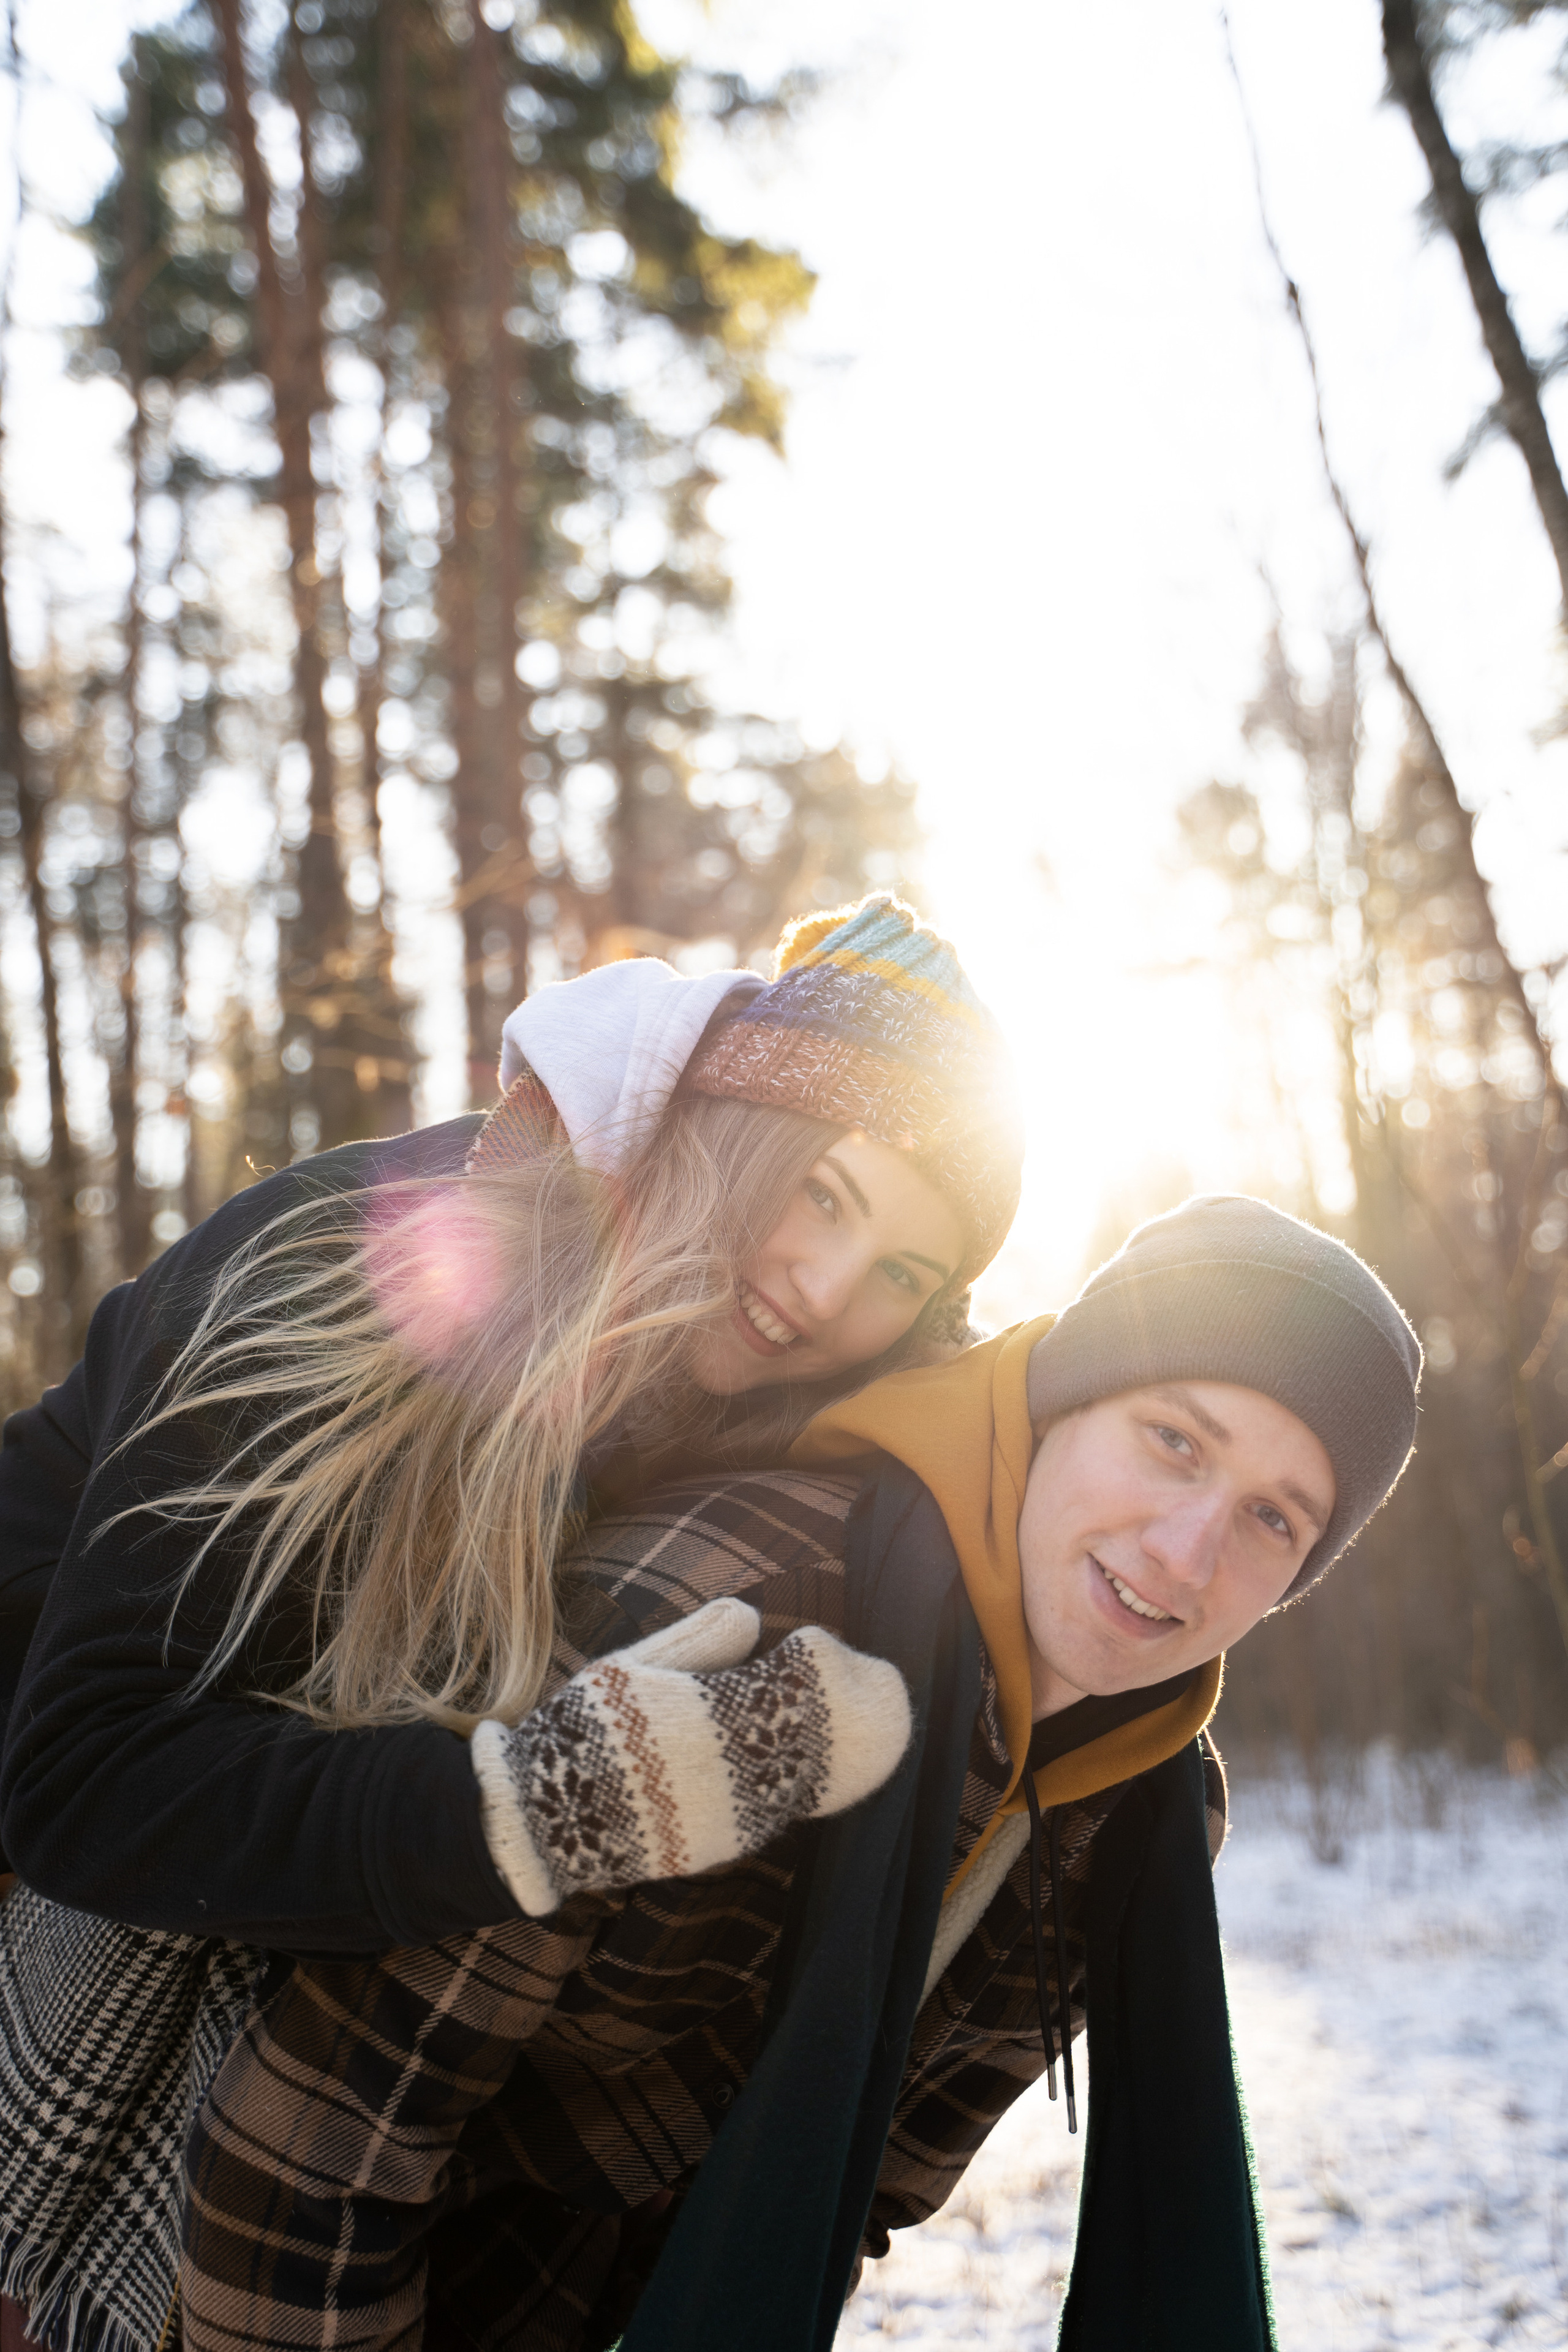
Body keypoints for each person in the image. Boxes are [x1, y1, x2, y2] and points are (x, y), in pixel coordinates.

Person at [0, 895, 1020, 2352]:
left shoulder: (734, 1405)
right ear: (729, 1122)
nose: (824, 1289)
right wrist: (543, 1807)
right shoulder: (356, 1263)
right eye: (824, 1193)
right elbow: (85, 1778)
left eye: (903, 1275)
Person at [168, 1193, 1421, 2352]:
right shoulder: (732, 1600)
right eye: (1173, 1441)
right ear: (1058, 1404)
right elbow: (316, 2137)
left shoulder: (1139, 1818)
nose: (1186, 1553)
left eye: (1273, 1518)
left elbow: (857, 2197)